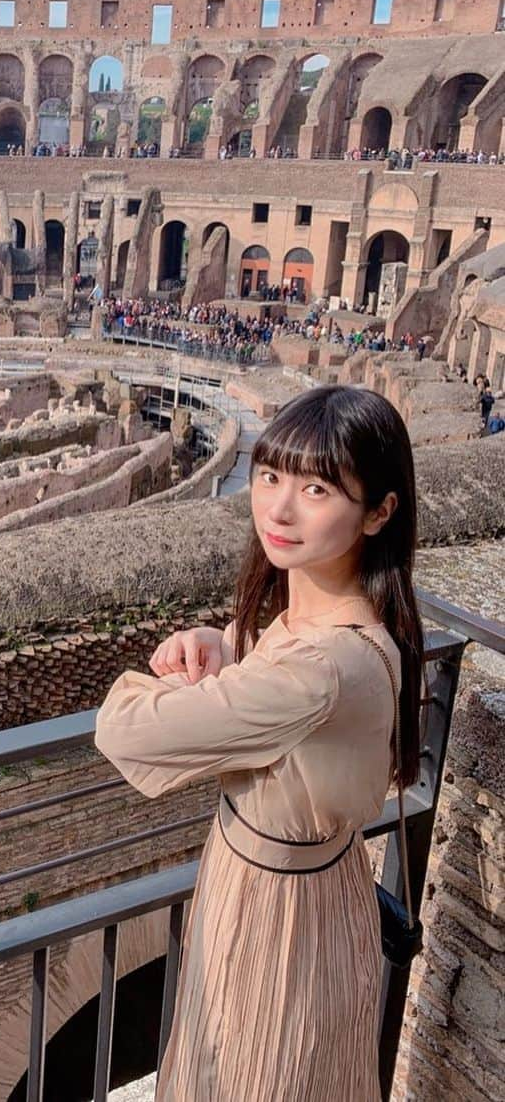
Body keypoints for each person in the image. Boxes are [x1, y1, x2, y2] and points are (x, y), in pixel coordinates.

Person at [96, 385, 423, 1101]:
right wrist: (228, 643)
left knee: (252, 1073)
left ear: (379, 511)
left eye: (315, 489)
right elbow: (291, 663)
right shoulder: (344, 627)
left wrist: (172, 688)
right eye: (269, 475)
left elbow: (124, 732)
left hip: (277, 916)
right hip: (314, 891)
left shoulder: (321, 673)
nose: (277, 507)